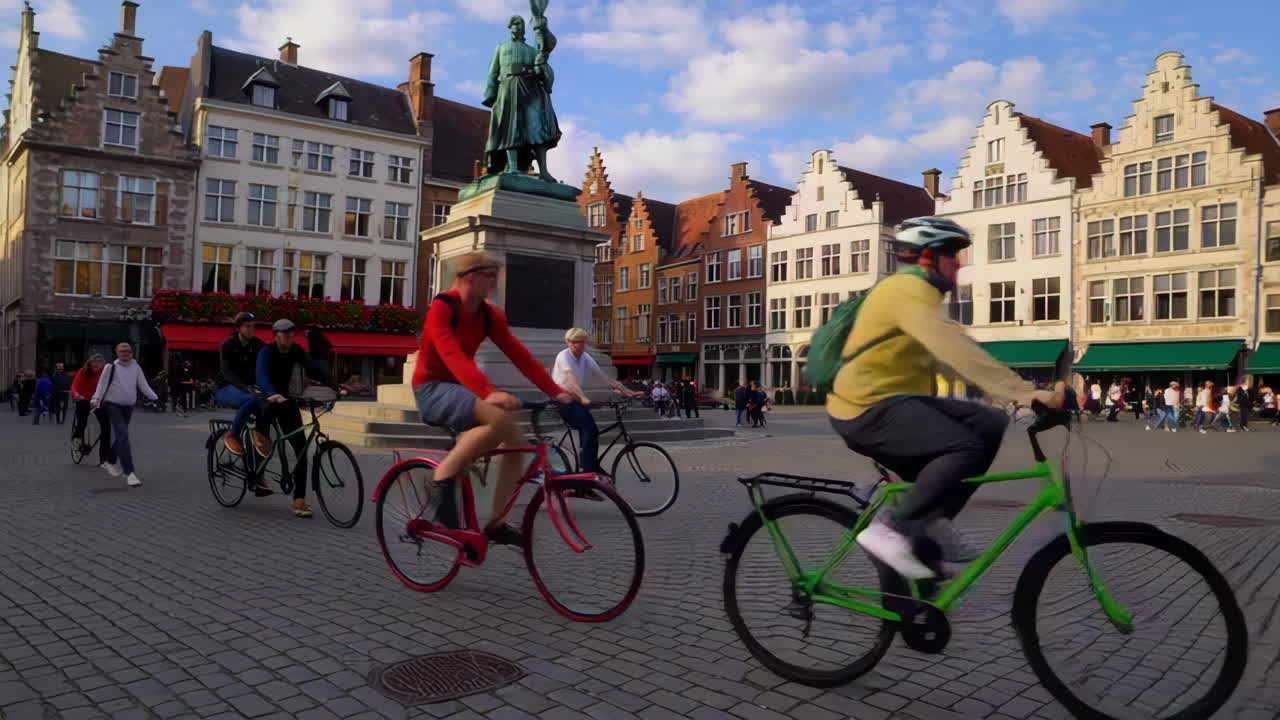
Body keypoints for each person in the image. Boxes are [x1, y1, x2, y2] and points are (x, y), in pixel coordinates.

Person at [828, 216, 1059, 580]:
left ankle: (929, 530)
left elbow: (955, 356)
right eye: (953, 254)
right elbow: (957, 351)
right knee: (964, 447)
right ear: (928, 258)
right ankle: (890, 529)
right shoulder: (907, 292)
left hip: (894, 404)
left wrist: (1012, 396)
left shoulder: (922, 298)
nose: (960, 263)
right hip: (866, 409)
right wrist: (1027, 393)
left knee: (989, 421)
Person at [411, 251, 572, 544]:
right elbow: (451, 353)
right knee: (498, 417)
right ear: (471, 277)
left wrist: (555, 391)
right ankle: (440, 479)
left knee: (517, 441)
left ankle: (496, 523)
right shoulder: (443, 306)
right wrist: (489, 392)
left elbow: (519, 354)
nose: (496, 283)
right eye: (491, 276)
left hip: (463, 389)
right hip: (432, 388)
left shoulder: (489, 315)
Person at [256, 319, 346, 517]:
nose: (289, 337)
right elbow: (261, 376)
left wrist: (333, 383)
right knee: (262, 442)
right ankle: (258, 476)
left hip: (287, 400)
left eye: (291, 334)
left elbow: (312, 367)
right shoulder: (266, 352)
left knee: (301, 448)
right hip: (268, 399)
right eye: (285, 334)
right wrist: (272, 393)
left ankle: (299, 500)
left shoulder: (296, 350)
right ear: (276, 335)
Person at [552, 327, 638, 473]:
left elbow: (605, 377)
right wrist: (583, 397)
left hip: (576, 400)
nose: (583, 345)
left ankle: (589, 463)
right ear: (570, 343)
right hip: (563, 400)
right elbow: (572, 380)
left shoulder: (585, 357)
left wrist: (628, 392)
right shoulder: (563, 356)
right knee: (589, 428)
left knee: (592, 431)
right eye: (579, 342)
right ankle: (587, 470)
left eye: (584, 342)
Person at [91, 342, 158, 487]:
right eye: (122, 351)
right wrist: (96, 398)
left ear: (131, 352)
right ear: (117, 353)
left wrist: (155, 398)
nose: (125, 353)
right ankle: (130, 473)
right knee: (122, 434)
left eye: (127, 351)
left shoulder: (136, 367)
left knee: (122, 436)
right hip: (112, 404)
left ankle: (109, 459)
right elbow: (101, 385)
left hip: (128, 406)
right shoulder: (111, 367)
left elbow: (143, 385)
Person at [215, 313, 267, 458]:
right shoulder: (228, 345)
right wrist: (246, 388)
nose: (251, 329)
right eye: (247, 326)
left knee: (268, 403)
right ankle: (234, 434)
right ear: (238, 328)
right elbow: (227, 373)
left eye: (253, 326)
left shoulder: (258, 344)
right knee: (252, 399)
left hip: (248, 387)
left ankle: (259, 436)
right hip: (226, 387)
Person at [70, 355, 113, 466]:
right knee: (82, 421)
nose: (96, 367)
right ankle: (77, 440)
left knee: (106, 428)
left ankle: (104, 457)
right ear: (89, 363)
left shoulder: (105, 373)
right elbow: (74, 386)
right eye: (94, 364)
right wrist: (77, 395)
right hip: (83, 399)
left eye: (99, 365)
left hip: (97, 401)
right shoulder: (83, 371)